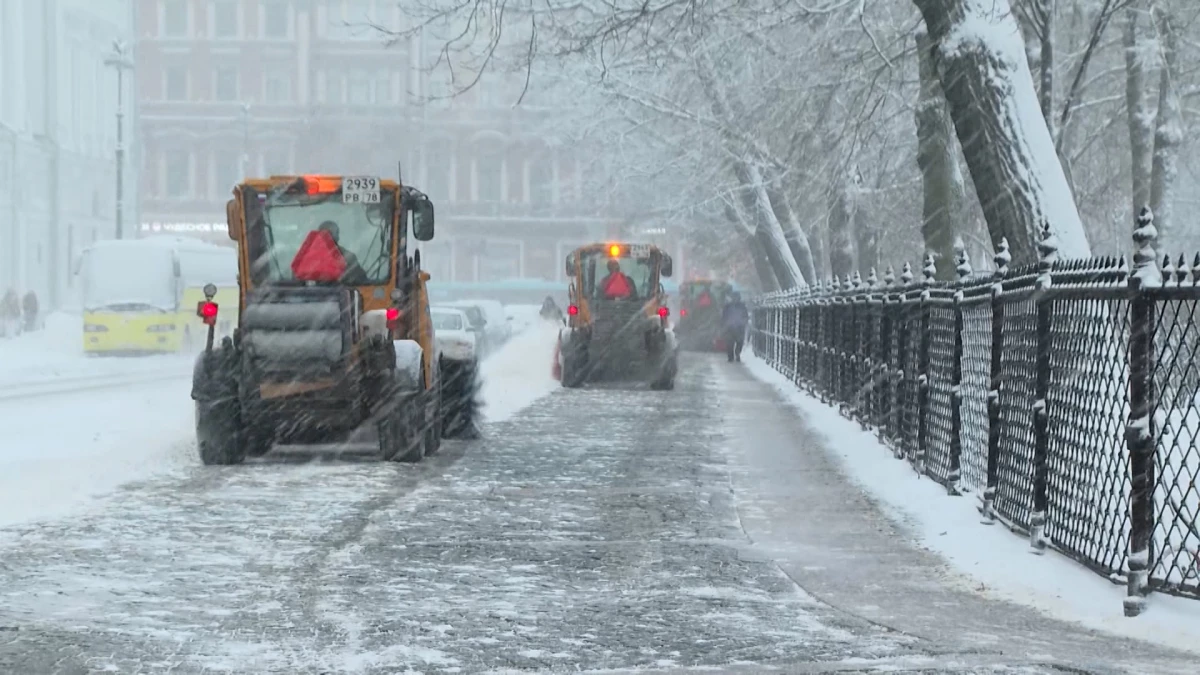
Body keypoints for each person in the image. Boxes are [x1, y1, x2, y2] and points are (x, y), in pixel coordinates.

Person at [721, 291, 749, 362]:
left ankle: (735, 354)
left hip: (735, 326)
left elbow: (724, 316)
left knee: (737, 342)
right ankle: (732, 356)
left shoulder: (729, 306)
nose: (735, 299)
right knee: (732, 342)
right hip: (733, 327)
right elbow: (724, 315)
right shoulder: (739, 306)